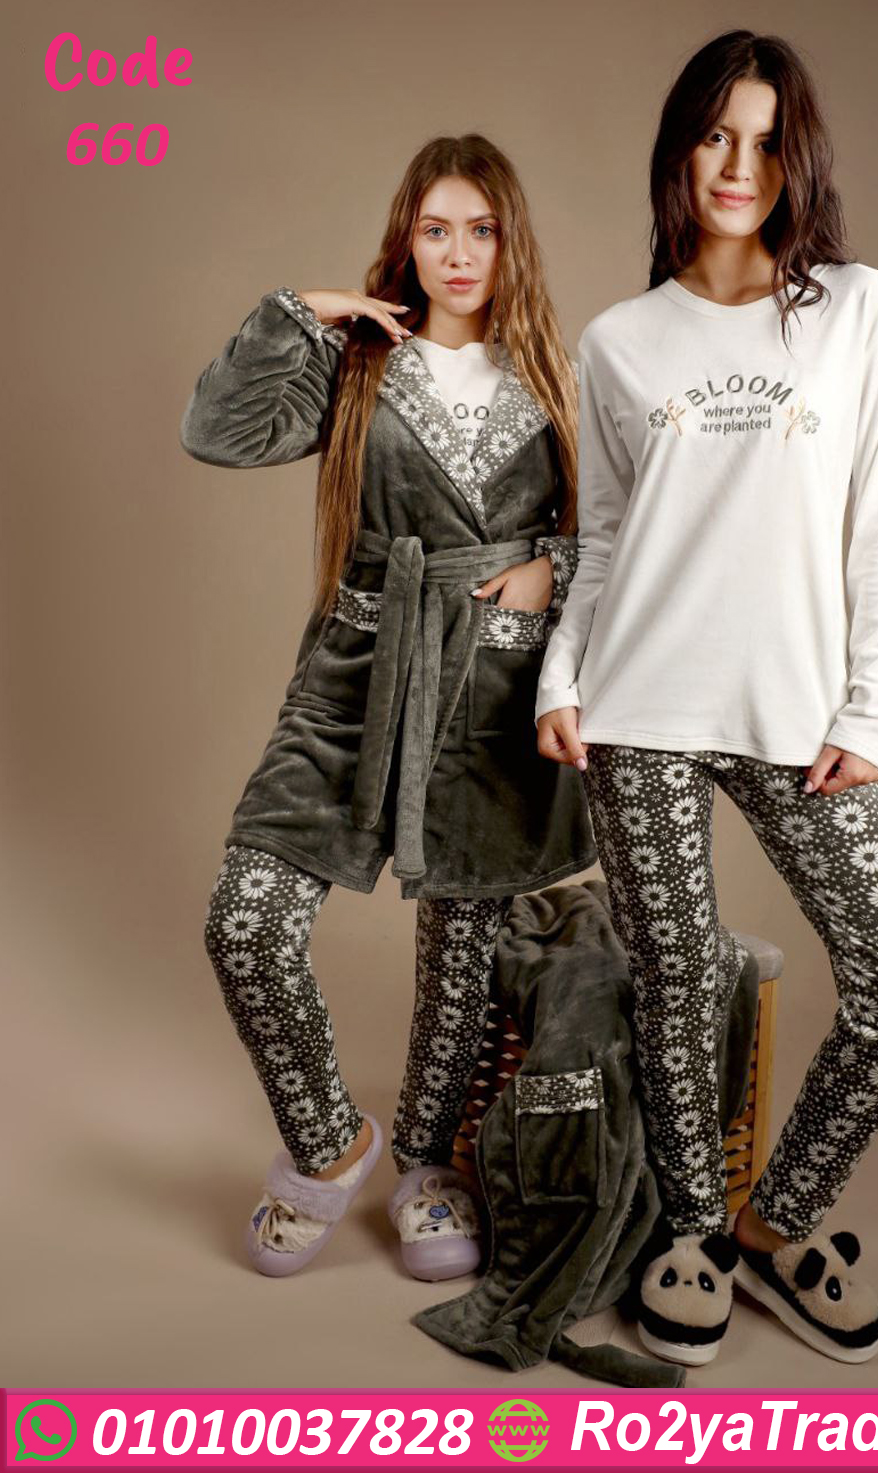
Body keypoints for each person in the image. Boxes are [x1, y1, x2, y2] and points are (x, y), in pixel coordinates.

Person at [536, 30, 878, 1367]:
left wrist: (869, 708)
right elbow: (602, 536)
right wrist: (561, 678)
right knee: (674, 986)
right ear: (681, 148)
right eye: (718, 135)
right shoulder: (620, 341)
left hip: (798, 712)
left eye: (767, 141)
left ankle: (778, 1225)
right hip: (638, 705)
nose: (739, 165)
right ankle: (694, 1237)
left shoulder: (861, 312)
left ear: (798, 159)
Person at [180, 134, 595, 1282]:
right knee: (246, 922)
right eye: (435, 229)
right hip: (356, 675)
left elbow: (627, 530)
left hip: (494, 689)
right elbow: (218, 432)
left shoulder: (563, 380)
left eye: (482, 230)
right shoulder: (360, 365)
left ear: (512, 241)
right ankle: (328, 1143)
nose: (459, 253)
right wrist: (299, 312)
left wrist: (553, 568)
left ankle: (426, 1167)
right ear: (406, 243)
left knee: (462, 955)